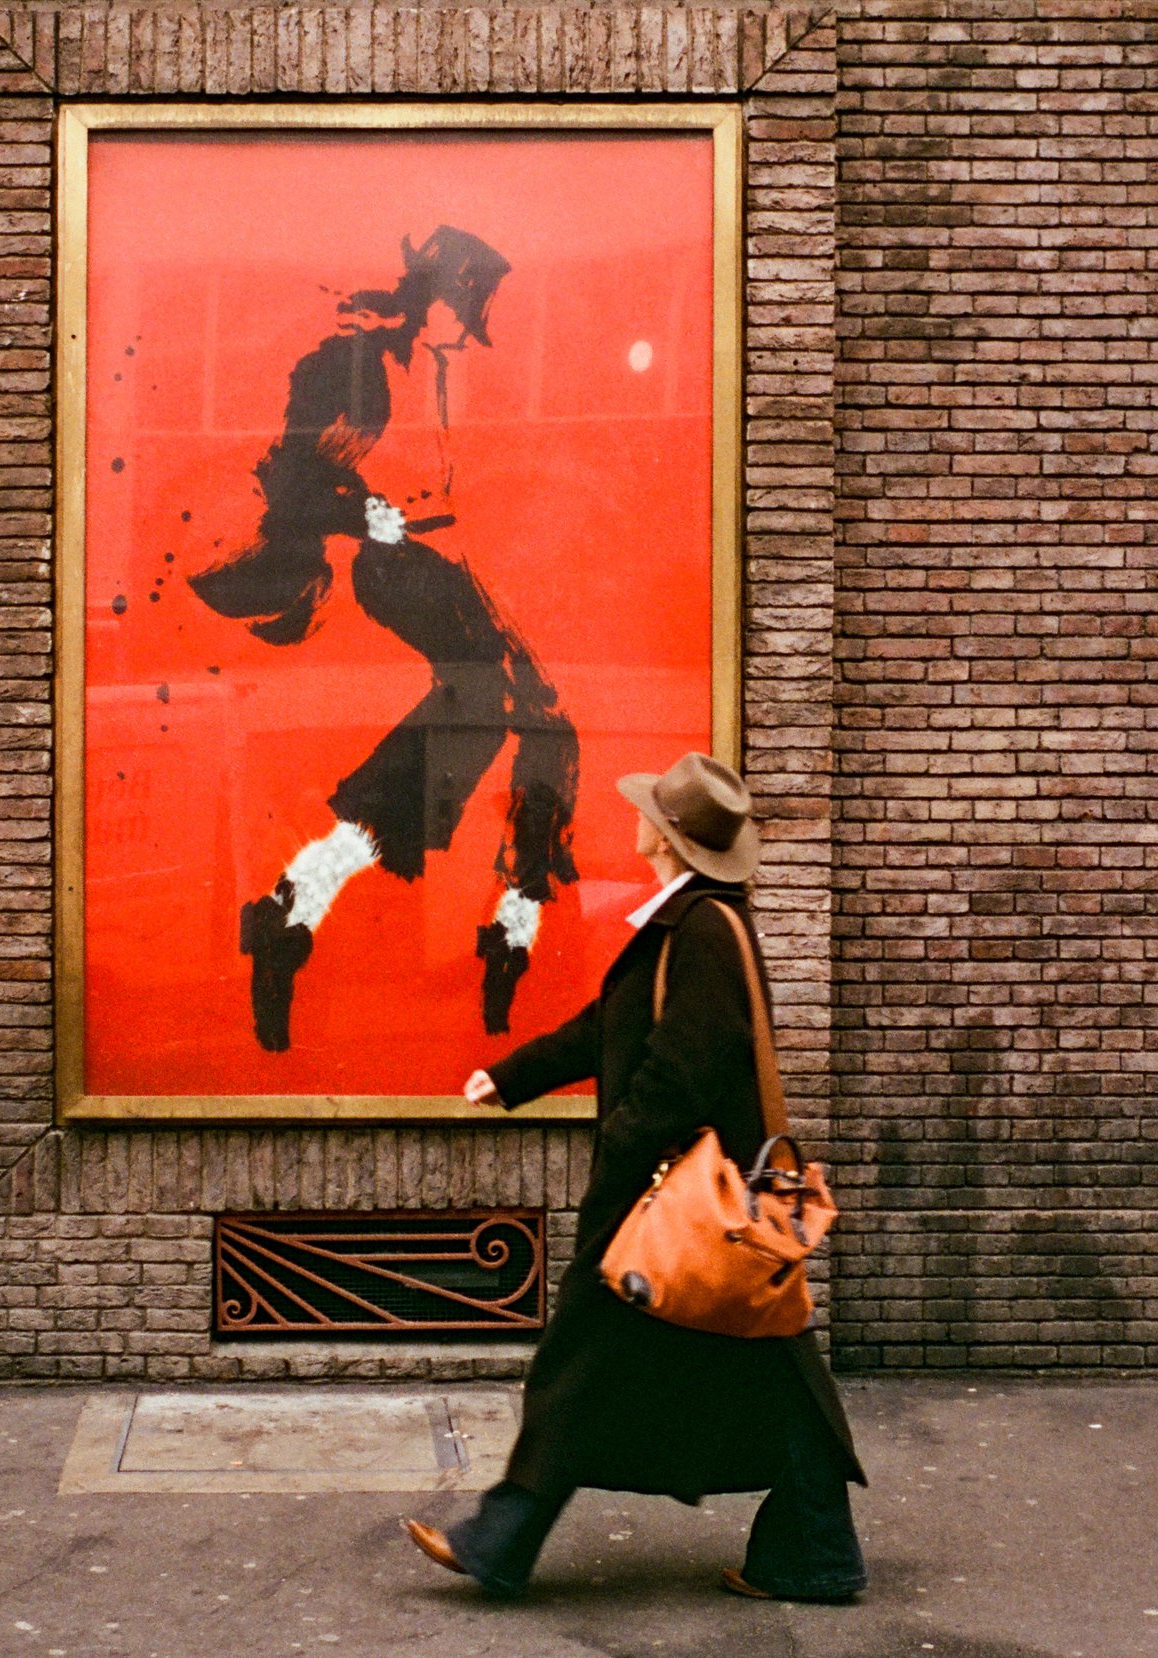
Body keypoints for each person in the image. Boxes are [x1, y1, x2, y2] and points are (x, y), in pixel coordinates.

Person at [400, 751, 868, 1602]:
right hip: (685, 1197)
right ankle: (815, 1553)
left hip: (674, 1199)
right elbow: (605, 1029)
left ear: (669, 835)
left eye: (650, 808)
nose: (638, 815)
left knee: (582, 1363)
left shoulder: (703, 931)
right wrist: (512, 1078)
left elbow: (684, 1068)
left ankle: (503, 1539)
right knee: (760, 1373)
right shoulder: (685, 920)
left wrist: (622, 1148)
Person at [189, 226, 580, 1052]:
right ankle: (503, 924)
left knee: (533, 719)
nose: (465, 330)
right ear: (422, 296)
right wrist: (364, 511)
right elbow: (291, 483)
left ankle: (309, 908)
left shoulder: (426, 365)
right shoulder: (349, 366)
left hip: (443, 559)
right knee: (508, 705)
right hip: (394, 566)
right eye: (459, 310)